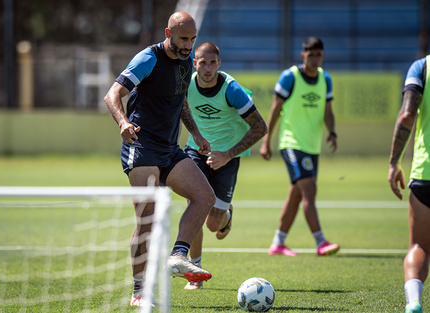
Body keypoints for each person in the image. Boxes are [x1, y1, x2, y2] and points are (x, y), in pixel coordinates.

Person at [104, 12, 215, 307]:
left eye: (192, 39)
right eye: (183, 39)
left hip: (169, 149)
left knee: (204, 196)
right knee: (147, 220)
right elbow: (112, 94)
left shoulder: (184, 61)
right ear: (168, 32)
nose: (189, 45)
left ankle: (178, 255)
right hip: (140, 146)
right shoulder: (147, 58)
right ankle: (139, 291)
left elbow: (180, 102)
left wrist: (197, 135)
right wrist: (123, 123)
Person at [182, 42, 267, 290]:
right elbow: (179, 110)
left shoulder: (232, 90)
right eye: (202, 62)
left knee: (213, 224)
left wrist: (228, 155)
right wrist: (196, 136)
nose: (207, 68)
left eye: (212, 62)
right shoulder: (186, 84)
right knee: (194, 206)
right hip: (196, 151)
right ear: (194, 63)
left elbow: (260, 127)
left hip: (227, 156)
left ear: (219, 64)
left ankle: (226, 214)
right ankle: (194, 272)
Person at [259, 36, 340, 257]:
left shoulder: (326, 79)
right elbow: (276, 108)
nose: (315, 58)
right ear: (303, 55)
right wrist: (267, 141)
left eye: (318, 54)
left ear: (323, 55)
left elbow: (328, 111)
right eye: (310, 54)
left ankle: (278, 243)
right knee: (310, 190)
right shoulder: (290, 77)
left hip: (312, 147)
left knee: (296, 194)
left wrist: (331, 132)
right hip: (291, 143)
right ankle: (321, 242)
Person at [388, 55, 430, 313]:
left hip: (426, 172)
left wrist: (394, 162)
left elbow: (407, 116)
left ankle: (414, 302)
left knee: (419, 246)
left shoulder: (422, 67)